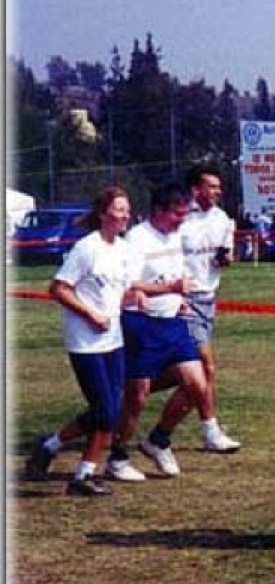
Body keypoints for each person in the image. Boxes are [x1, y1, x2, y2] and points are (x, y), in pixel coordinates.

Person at [106, 182, 237, 482]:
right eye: (177, 214)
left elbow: (175, 273)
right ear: (158, 211)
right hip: (141, 323)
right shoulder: (137, 240)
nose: (182, 220)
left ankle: (159, 439)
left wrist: (178, 300)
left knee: (197, 383)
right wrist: (169, 289)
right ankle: (117, 457)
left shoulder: (176, 235)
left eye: (185, 214)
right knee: (137, 396)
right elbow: (129, 285)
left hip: (173, 321)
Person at [24, 187, 135, 495]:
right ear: (103, 213)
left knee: (110, 409)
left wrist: (137, 297)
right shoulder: (87, 248)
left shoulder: (123, 249)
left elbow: (119, 291)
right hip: (85, 343)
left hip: (113, 340)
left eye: (127, 210)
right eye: (119, 210)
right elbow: (59, 288)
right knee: (105, 410)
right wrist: (90, 314)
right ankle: (56, 453)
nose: (125, 216)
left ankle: (77, 469)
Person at [149, 162, 241, 453]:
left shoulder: (222, 219)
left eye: (219, 187)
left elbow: (225, 256)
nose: (217, 191)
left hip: (207, 299)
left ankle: (134, 388)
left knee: (184, 372)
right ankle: (208, 431)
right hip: (182, 300)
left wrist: (226, 259)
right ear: (195, 188)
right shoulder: (180, 219)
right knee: (204, 368)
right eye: (211, 186)